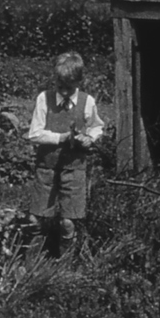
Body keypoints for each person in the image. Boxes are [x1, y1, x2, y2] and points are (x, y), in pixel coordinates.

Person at [28, 51, 104, 257]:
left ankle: (64, 265)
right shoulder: (44, 99)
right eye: (59, 86)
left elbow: (97, 127)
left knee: (67, 222)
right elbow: (34, 134)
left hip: (74, 168)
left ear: (79, 82)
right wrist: (61, 138)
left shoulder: (87, 102)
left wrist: (90, 138)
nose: (63, 91)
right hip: (46, 167)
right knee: (35, 219)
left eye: (68, 88)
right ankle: (31, 262)